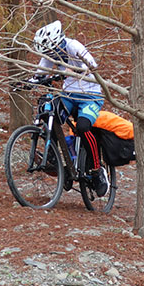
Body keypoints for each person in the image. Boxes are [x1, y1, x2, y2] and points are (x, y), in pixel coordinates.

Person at [30, 20, 109, 197]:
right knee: (50, 113)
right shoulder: (49, 54)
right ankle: (56, 160)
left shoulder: (74, 46)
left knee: (82, 127)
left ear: (58, 42)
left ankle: (97, 170)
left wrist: (72, 71)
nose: (50, 55)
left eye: (51, 51)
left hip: (90, 96)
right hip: (69, 96)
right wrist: (27, 83)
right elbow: (40, 73)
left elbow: (92, 65)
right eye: (47, 53)